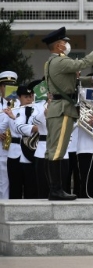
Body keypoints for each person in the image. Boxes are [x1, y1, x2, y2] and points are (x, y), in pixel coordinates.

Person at [42, 27, 93, 201]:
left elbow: (72, 81)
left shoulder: (52, 62)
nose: (66, 44)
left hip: (59, 107)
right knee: (57, 151)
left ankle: (54, 189)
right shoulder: (61, 61)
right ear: (57, 46)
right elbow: (83, 63)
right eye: (64, 42)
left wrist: (92, 79)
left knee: (52, 151)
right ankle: (56, 190)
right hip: (63, 108)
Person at [8, 83, 38, 199]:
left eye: (30, 96)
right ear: (19, 97)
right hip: (14, 152)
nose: (29, 99)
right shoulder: (12, 110)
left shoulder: (37, 111)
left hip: (30, 152)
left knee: (31, 187)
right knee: (15, 187)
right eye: (26, 97)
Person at [0, 70, 17, 199]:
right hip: (1, 146)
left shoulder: (20, 103)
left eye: (12, 85)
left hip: (14, 147)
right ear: (1, 87)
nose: (9, 89)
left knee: (11, 180)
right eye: (5, 86)